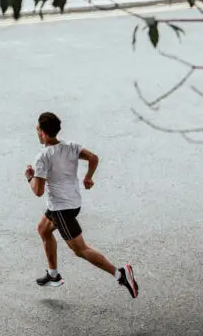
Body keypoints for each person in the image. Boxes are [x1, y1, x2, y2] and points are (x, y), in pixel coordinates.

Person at [24, 112, 139, 299]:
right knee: (43, 230)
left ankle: (120, 274)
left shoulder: (43, 157)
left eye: (38, 129)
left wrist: (30, 176)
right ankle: (53, 275)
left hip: (61, 209)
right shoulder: (71, 147)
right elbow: (93, 158)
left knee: (80, 250)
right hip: (73, 203)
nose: (36, 131)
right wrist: (88, 178)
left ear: (43, 133)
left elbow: (37, 191)